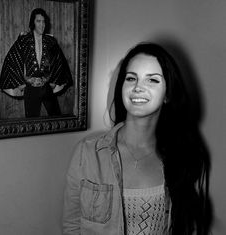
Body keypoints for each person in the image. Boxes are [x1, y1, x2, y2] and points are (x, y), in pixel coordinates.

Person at [62, 43, 210, 234]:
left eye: (153, 80)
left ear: (168, 94)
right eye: (131, 78)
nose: (138, 87)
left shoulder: (183, 155)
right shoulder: (88, 153)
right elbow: (72, 226)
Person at [0, 8, 73, 118]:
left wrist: (52, 80)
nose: (42, 25)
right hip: (31, 89)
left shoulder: (50, 41)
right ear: (33, 22)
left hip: (46, 87)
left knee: (56, 117)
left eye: (43, 21)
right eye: (38, 21)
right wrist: (23, 81)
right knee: (31, 120)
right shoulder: (24, 39)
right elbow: (12, 59)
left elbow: (59, 61)